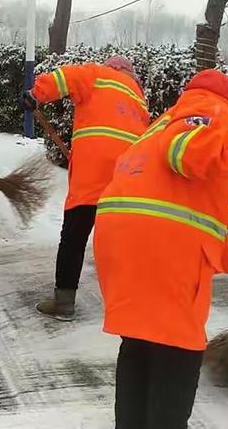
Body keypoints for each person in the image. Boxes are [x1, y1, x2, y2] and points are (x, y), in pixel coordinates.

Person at [93, 69, 228, 429]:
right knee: (177, 348)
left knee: (141, 340)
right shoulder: (210, 110)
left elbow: (194, 223)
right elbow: (186, 153)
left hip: (124, 246)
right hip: (160, 252)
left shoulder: (159, 125)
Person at [20, 56, 150, 320]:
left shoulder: (97, 74)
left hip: (92, 176)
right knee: (122, 244)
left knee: (74, 238)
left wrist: (36, 94)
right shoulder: (138, 98)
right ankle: (129, 303)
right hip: (127, 180)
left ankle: (64, 303)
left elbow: (63, 78)